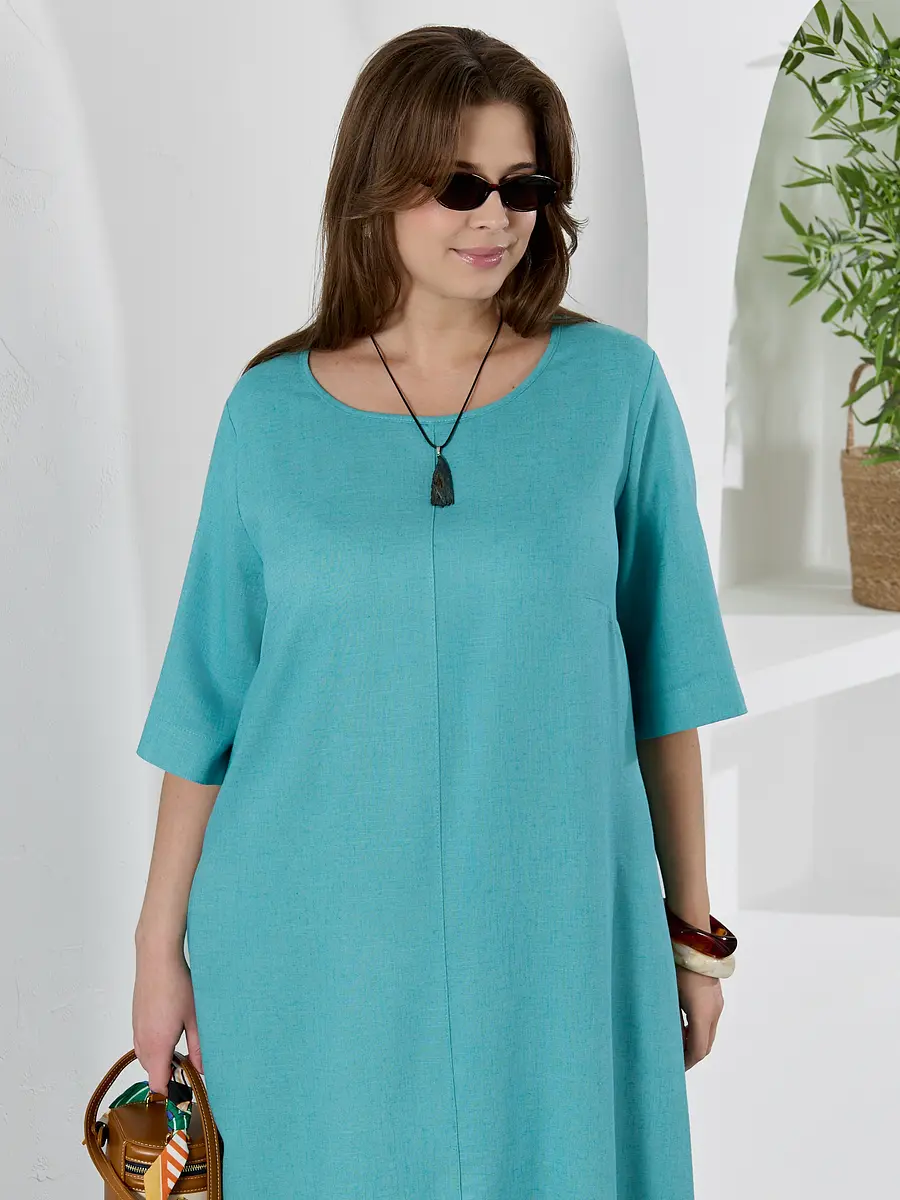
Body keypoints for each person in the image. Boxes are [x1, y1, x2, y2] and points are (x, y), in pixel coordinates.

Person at [132, 23, 747, 1200]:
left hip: (557, 929)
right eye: (460, 186)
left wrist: (693, 932)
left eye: (524, 188)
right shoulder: (269, 414)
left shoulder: (616, 391)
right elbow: (204, 707)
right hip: (311, 941)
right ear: (380, 186)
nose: (495, 218)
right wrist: (158, 949)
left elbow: (667, 689)